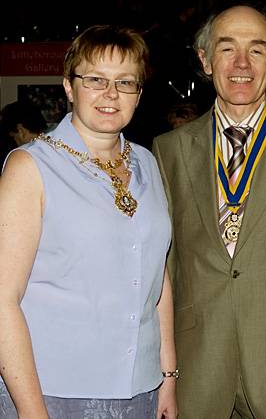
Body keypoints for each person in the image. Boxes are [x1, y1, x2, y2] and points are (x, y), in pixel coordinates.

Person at [152, 5, 266, 419]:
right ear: (204, 60)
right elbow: (165, 266)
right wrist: (164, 368)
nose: (241, 64)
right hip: (198, 360)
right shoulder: (169, 149)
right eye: (227, 48)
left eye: (256, 50)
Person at [0, 25, 177, 418]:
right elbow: (2, 301)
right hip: (53, 392)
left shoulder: (147, 162)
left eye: (125, 82)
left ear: (139, 93)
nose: (110, 94)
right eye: (95, 79)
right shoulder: (30, 167)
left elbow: (157, 275)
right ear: (68, 86)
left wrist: (168, 376)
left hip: (142, 389)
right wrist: (32, 411)